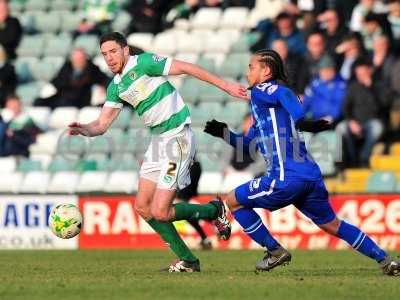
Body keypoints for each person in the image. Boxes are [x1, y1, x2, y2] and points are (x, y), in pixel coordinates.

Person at [203, 49, 400, 276]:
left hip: (286, 176)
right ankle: (386, 260)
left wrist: (303, 121)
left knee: (233, 201)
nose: (247, 73)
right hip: (309, 176)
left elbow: (287, 96)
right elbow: (249, 146)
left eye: (251, 67)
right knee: (331, 224)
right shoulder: (266, 112)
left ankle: (275, 251)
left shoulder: (264, 91)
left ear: (266, 70)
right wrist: (224, 133)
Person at [67, 32, 247, 272]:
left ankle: (215, 210)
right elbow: (101, 125)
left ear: (125, 50)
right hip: (158, 143)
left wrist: (226, 86)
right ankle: (189, 261)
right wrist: (84, 129)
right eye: (104, 54)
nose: (109, 58)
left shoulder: (144, 63)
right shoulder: (116, 86)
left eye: (113, 51)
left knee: (161, 211)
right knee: (142, 207)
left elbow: (187, 68)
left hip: (177, 138)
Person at [341, 57, 389, 167]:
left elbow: (384, 105)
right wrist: (351, 121)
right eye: (358, 74)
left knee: (377, 127)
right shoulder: (353, 87)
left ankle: (364, 157)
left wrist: (371, 88)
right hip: (356, 122)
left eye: (363, 73)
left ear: (370, 71)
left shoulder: (379, 86)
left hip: (372, 122)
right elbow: (345, 108)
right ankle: (351, 161)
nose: (361, 77)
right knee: (342, 128)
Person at [34, 48, 109, 109]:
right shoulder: (66, 68)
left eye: (80, 58)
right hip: (63, 95)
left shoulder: (92, 69)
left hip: (80, 98)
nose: (78, 61)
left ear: (85, 58)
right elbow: (57, 81)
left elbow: (105, 80)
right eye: (76, 58)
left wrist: (104, 89)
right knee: (39, 102)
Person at [176, 158, 212, 250]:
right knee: (184, 211)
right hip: (189, 168)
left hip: (187, 169)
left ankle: (213, 219)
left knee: (182, 210)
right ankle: (212, 223)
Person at [303, 55, 347, 125]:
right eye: (323, 70)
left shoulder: (341, 85)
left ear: (333, 70)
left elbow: (340, 104)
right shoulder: (314, 84)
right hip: (314, 119)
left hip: (334, 121)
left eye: (328, 70)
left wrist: (331, 117)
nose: (325, 73)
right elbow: (306, 102)